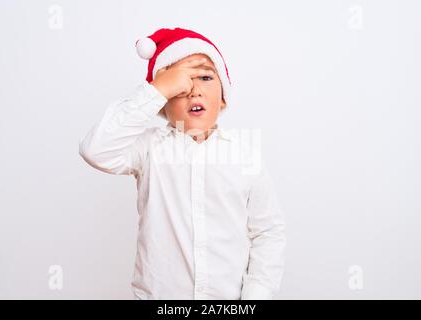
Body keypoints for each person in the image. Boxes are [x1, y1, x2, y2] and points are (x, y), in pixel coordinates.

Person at [78, 27, 286, 300]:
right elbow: (96, 150)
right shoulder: (149, 148)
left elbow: (267, 232)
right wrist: (158, 88)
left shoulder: (246, 156)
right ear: (162, 105)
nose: (193, 90)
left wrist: (255, 295)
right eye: (180, 83)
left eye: (205, 77)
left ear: (223, 97)